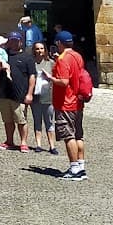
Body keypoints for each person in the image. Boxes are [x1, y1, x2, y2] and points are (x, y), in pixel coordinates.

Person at [52, 29, 88, 180]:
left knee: (68, 136)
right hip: (77, 102)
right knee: (78, 135)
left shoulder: (63, 59)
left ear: (59, 43)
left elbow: (64, 81)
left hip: (65, 102)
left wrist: (50, 78)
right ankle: (81, 165)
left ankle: (74, 169)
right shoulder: (77, 56)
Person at [0, 32, 33, 151]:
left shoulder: (27, 57)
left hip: (19, 94)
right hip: (3, 93)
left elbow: (32, 77)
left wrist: (29, 94)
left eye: (16, 40)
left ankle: (23, 142)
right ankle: (9, 141)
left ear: (20, 41)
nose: (13, 42)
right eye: (11, 40)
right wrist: (1, 63)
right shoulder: (4, 53)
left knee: (21, 120)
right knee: (7, 120)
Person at [30, 40, 57, 155]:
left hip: (48, 96)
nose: (39, 51)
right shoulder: (31, 63)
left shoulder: (51, 63)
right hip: (36, 96)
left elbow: (57, 78)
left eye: (41, 48)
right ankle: (38, 144)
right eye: (37, 49)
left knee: (49, 121)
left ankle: (52, 146)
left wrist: (49, 77)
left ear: (45, 50)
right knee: (37, 120)